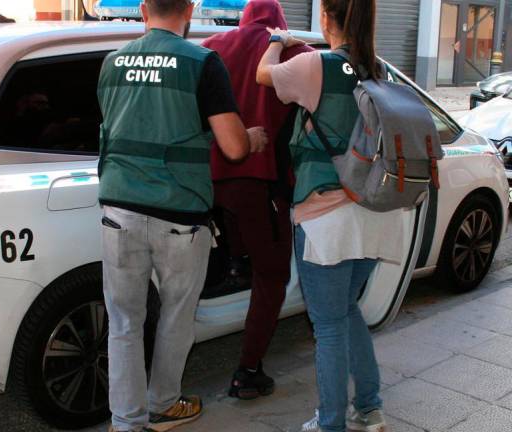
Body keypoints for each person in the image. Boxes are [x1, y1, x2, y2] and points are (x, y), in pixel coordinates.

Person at [97, 0, 268, 430]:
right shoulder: (202, 62)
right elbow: (232, 147)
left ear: (142, 9)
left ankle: (126, 422)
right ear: (189, 9)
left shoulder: (112, 63)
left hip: (119, 209)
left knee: (123, 322)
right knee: (176, 315)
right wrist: (252, 138)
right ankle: (163, 404)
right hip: (178, 215)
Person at [256, 0, 401, 431]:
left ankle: (331, 423)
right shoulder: (379, 71)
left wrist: (280, 41)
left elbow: (264, 75)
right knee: (346, 310)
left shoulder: (315, 64)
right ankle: (370, 407)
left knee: (329, 325)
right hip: (377, 212)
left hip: (326, 217)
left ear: (325, 18)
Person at [202, 0, 313, 400]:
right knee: (273, 277)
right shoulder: (292, 51)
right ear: (279, 23)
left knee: (238, 245)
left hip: (207, 179)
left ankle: (236, 263)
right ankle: (248, 372)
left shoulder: (210, 45)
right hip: (259, 180)